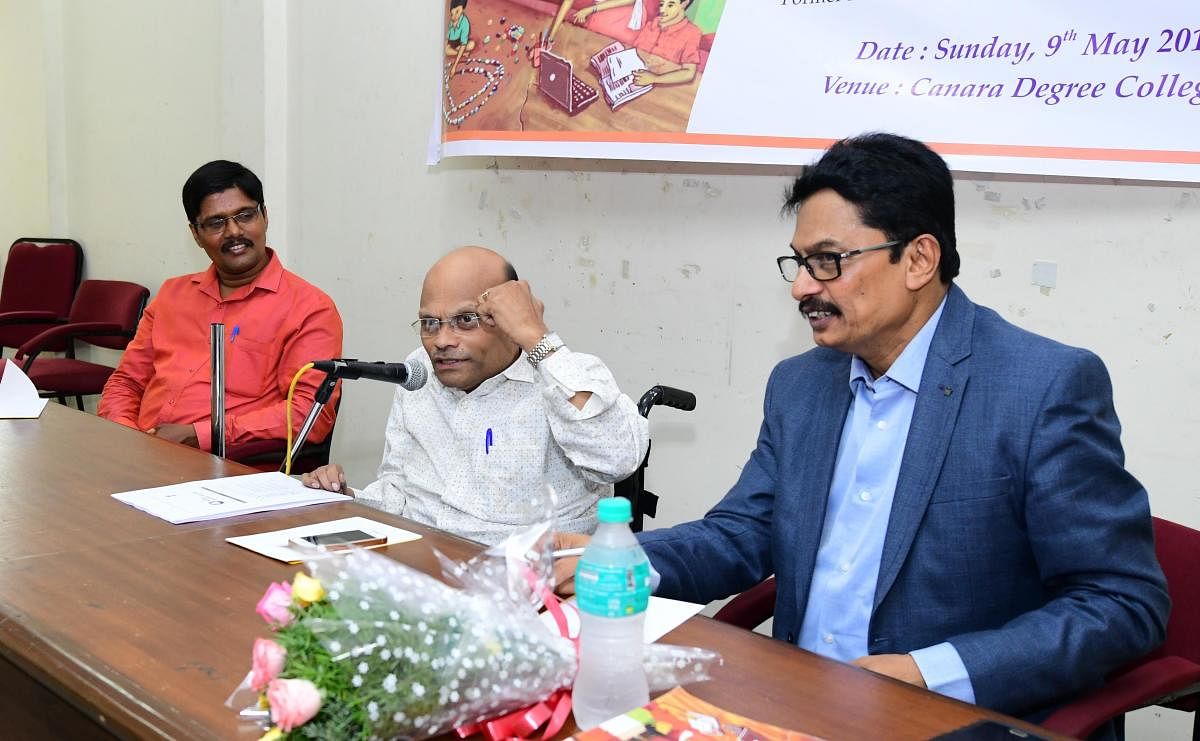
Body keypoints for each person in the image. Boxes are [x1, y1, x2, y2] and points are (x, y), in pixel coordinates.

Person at [555, 133, 1169, 727]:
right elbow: (745, 532)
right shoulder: (801, 386)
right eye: (799, 263)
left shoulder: (1041, 388)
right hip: (792, 704)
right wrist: (625, 560)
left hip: (947, 718)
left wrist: (930, 674)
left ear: (919, 259)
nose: (801, 287)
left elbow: (1120, 604)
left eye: (828, 261)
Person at [303, 246, 649, 545]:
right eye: (430, 323)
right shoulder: (420, 369)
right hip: (422, 564)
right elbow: (401, 491)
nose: (441, 341)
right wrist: (346, 498)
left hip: (528, 579)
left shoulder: (568, 377)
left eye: (466, 320)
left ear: (510, 321)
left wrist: (536, 337)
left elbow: (617, 460)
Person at [99, 160, 342, 453]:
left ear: (264, 216)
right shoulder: (172, 294)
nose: (234, 232)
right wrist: (126, 435)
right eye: (216, 223)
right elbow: (126, 382)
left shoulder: (309, 309)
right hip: (142, 454)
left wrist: (201, 435)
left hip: (230, 469)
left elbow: (309, 414)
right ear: (195, 233)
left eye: (245, 215)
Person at [539, 0, 701, 87]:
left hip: (623, 20)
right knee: (590, 63)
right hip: (600, 18)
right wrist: (551, 37)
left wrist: (591, 10)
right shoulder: (656, 23)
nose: (664, 8)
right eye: (663, 4)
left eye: (669, 4)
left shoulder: (689, 32)